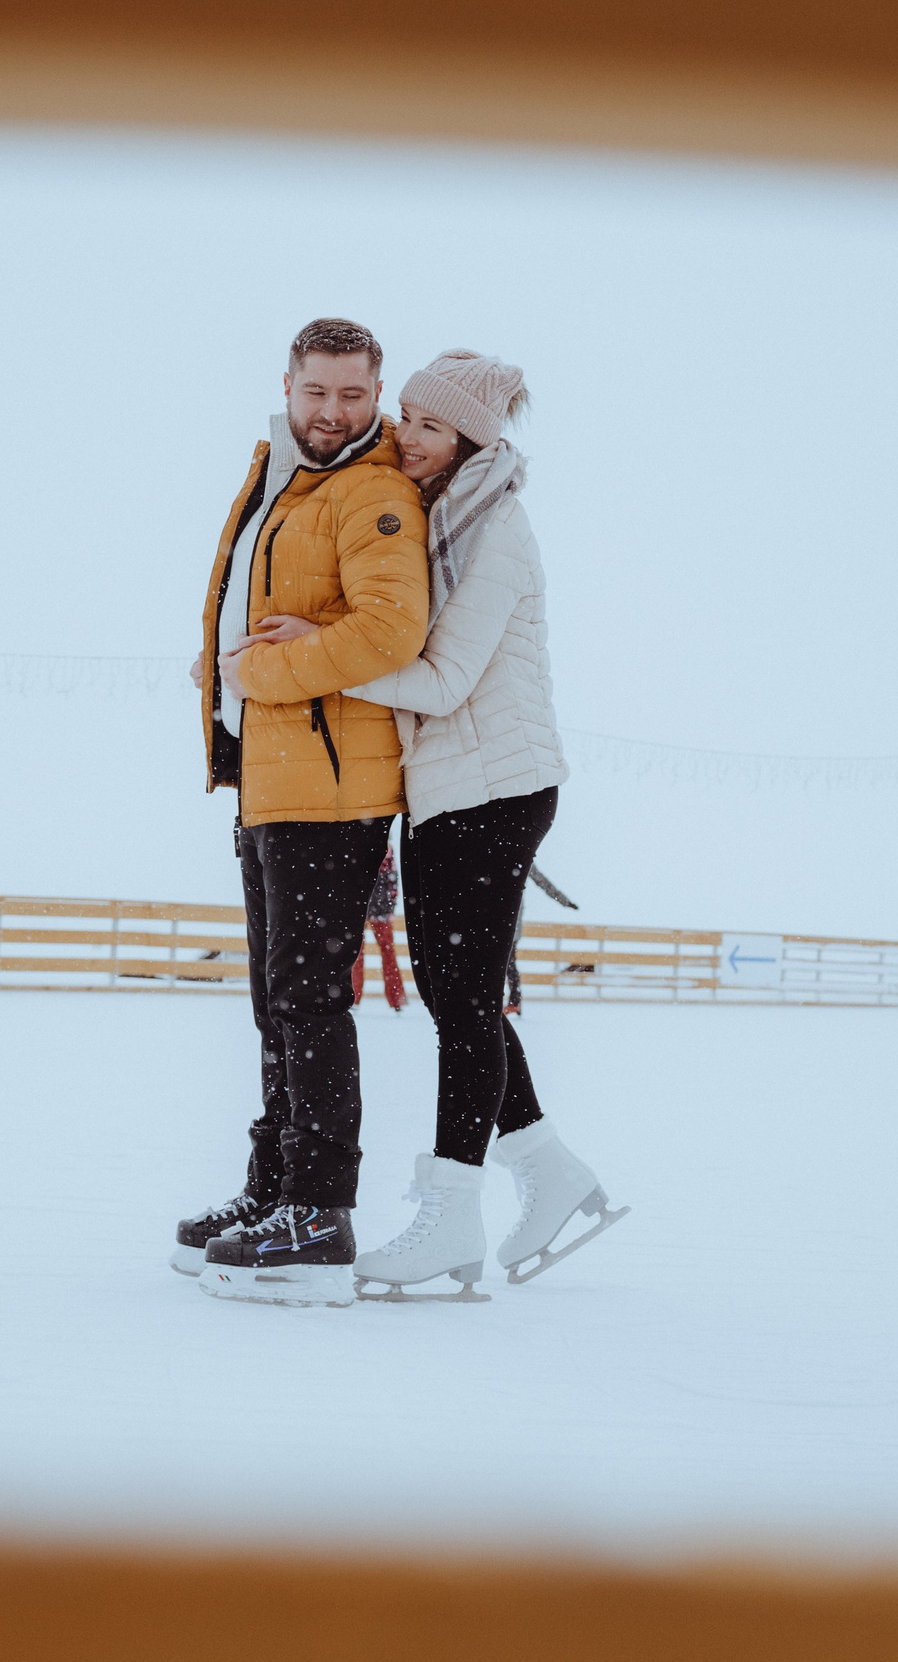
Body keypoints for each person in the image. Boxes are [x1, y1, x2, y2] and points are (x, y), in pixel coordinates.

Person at [340, 350, 627, 1303]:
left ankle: (451, 1214)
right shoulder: (440, 515)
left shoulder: (493, 528)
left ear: (473, 437)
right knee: (454, 994)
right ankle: (548, 1169)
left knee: (461, 1005)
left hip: (495, 790)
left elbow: (443, 680)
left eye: (428, 422)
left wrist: (321, 663)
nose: (406, 434)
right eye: (406, 416)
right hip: (452, 789)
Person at [171, 318, 431, 1305]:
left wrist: (265, 669)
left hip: (336, 786)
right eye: (317, 393)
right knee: (274, 1004)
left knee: (309, 1004)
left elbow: (391, 628)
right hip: (275, 778)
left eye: (353, 397)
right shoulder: (284, 480)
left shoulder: (371, 491)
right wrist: (224, 671)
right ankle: (271, 1189)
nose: (332, 413)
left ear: (377, 395)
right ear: (287, 385)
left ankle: (318, 1210)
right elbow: (256, 615)